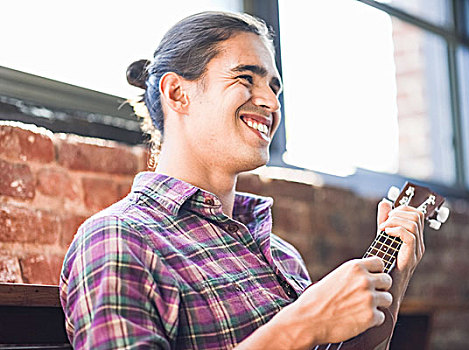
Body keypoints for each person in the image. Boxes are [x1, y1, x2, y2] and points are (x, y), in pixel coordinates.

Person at [59, 11, 425, 350]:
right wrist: (299, 325)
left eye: (274, 87)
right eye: (246, 78)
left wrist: (395, 281)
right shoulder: (120, 239)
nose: (270, 101)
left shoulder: (282, 256)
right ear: (177, 93)